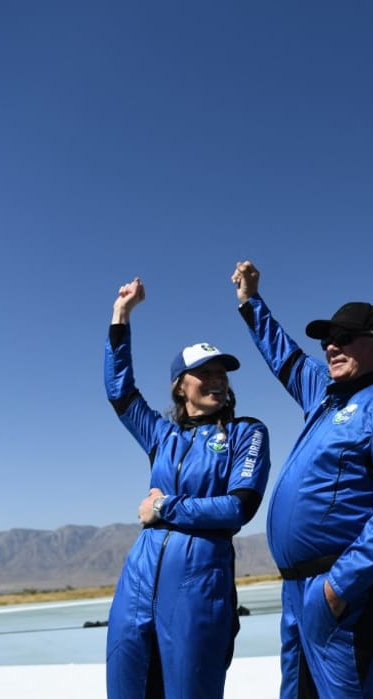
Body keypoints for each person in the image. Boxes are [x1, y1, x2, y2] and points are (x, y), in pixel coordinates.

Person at [231, 261, 373, 699]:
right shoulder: (324, 394)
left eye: (345, 338)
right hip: (298, 588)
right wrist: (250, 302)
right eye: (327, 340)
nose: (330, 347)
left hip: (345, 589)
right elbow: (283, 354)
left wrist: (338, 588)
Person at [103, 277, 271, 698]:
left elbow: (237, 508)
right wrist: (121, 315)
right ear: (181, 385)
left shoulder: (247, 433)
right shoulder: (161, 435)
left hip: (199, 584)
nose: (217, 380)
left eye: (221, 373)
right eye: (205, 373)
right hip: (138, 579)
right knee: (126, 687)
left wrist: (164, 508)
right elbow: (120, 391)